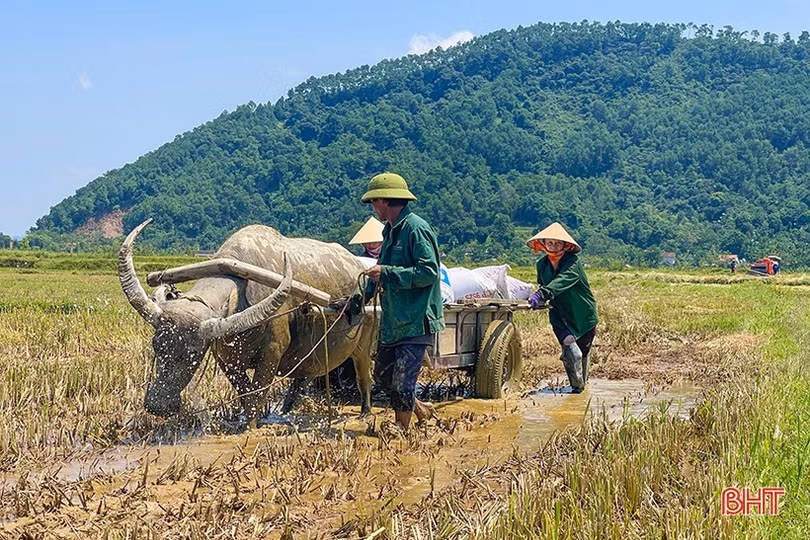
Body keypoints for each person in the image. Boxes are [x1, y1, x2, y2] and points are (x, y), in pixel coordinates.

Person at [343, 172, 445, 430]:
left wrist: (387, 273)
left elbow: (429, 272)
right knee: (383, 377)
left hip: (415, 319)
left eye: (374, 202)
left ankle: (401, 432)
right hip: (393, 319)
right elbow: (380, 270)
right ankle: (421, 410)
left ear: (385, 201)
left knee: (402, 383)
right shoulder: (389, 231)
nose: (373, 208)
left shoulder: (416, 229)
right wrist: (358, 298)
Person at [526, 223, 598, 393]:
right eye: (549, 243)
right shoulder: (542, 265)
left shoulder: (572, 262)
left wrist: (542, 294)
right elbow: (545, 284)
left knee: (583, 353)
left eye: (558, 243)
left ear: (566, 245)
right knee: (570, 350)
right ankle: (577, 389)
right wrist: (539, 299)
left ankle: (582, 387)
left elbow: (562, 280)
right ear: (543, 244)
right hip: (559, 313)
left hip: (582, 314)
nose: (553, 247)